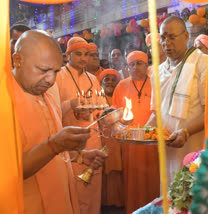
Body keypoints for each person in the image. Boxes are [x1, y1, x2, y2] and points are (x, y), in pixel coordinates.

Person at [11, 30, 107, 214]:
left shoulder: (46, 96)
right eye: (43, 70)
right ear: (17, 61)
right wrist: (55, 144)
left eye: (55, 71)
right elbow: (8, 170)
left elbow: (52, 154)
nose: (51, 80)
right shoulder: (5, 102)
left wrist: (80, 157)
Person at [147, 16, 208, 183]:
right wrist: (141, 132)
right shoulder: (157, 72)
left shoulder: (202, 63)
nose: (166, 43)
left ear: (186, 36)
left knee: (189, 202)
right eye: (163, 38)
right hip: (167, 152)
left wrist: (186, 132)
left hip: (193, 151)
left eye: (172, 37)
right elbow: (156, 114)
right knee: (169, 199)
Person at [56, 37, 103, 214]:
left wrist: (100, 113)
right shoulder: (59, 76)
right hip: (71, 143)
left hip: (93, 139)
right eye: (78, 54)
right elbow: (52, 110)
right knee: (76, 189)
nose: (83, 58)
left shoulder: (93, 78)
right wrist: (71, 104)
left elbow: (99, 105)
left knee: (93, 188)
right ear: (68, 55)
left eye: (86, 54)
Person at [112, 51, 160, 213]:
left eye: (139, 63)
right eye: (131, 64)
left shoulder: (156, 83)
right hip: (130, 143)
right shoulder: (121, 86)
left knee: (152, 179)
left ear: (147, 66)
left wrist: (146, 131)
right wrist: (119, 128)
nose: (135, 67)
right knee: (132, 181)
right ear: (127, 67)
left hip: (151, 141)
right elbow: (115, 114)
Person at [97, 69, 124, 213]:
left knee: (118, 172)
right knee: (104, 172)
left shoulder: (121, 98)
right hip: (101, 141)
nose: (110, 82)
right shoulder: (97, 99)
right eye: (107, 79)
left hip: (119, 143)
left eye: (114, 80)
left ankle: (119, 201)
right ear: (101, 83)